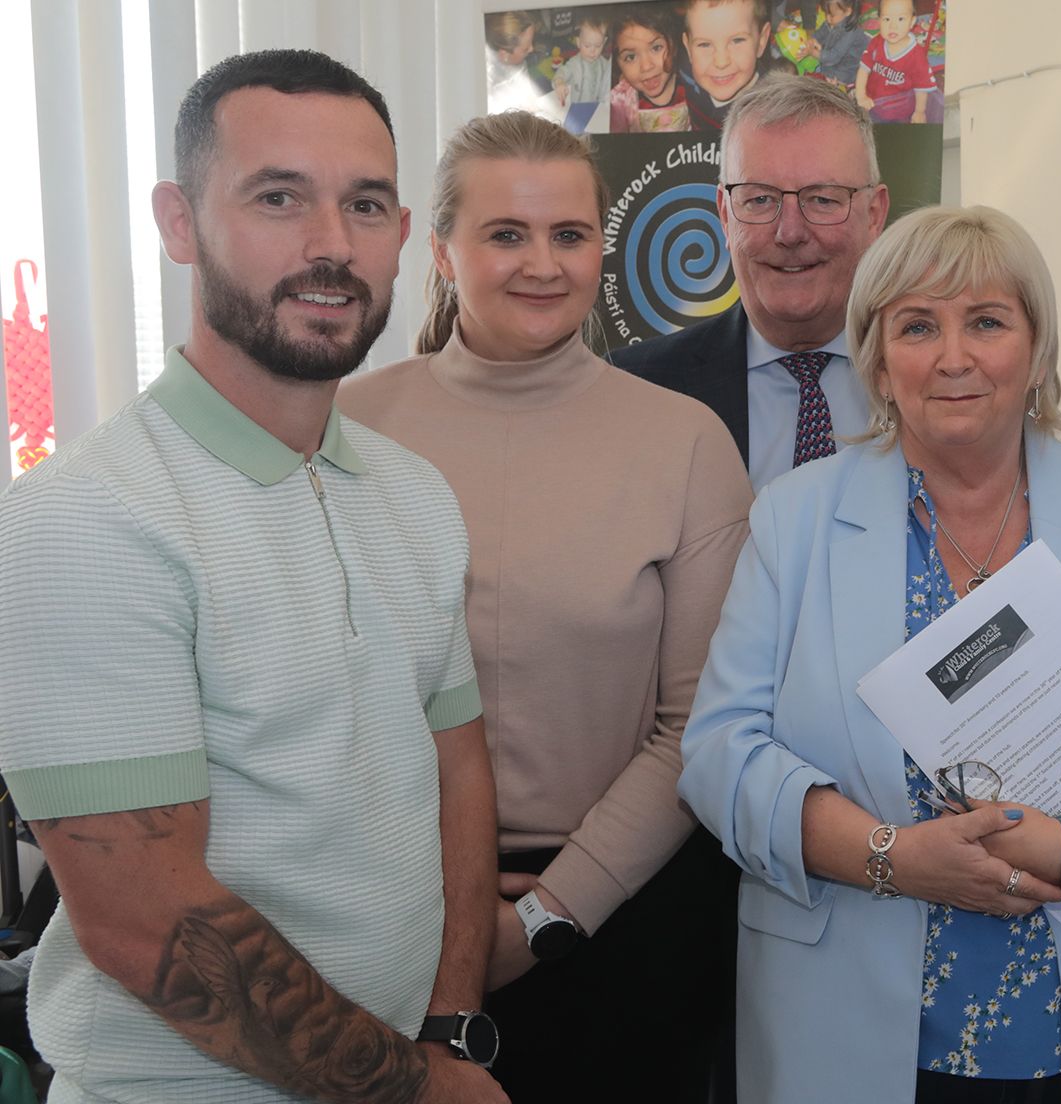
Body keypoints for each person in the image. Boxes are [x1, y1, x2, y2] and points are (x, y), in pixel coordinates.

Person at [0, 50, 506, 1102]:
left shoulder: (416, 493)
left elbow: (454, 773)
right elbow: (148, 924)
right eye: (278, 197)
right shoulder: (80, 523)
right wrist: (414, 1085)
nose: (331, 245)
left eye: (365, 205)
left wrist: (451, 1026)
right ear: (179, 222)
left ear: (405, 237)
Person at [677, 204, 1061, 1103]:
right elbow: (721, 756)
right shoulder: (794, 520)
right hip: (845, 1007)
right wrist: (890, 855)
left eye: (987, 321)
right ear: (876, 359)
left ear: (1036, 349)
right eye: (918, 326)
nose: (954, 356)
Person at [336, 111, 751, 1103]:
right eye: (506, 234)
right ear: (439, 250)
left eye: (569, 235)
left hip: (622, 926)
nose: (542, 264)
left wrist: (546, 919)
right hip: (385, 917)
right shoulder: (351, 430)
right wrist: (439, 916)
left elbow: (697, 728)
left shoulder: (685, 442)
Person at [609, 75, 885, 492]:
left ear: (875, 215)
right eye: (759, 199)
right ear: (724, 213)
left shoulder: (936, 379)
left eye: (823, 199)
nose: (789, 232)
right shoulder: (633, 390)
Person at [679, 0, 773, 131]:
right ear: (688, 48)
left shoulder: (772, 113)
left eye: (737, 40)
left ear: (761, 41)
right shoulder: (683, 77)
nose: (721, 62)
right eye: (704, 44)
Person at [609, 5, 692, 133]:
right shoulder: (620, 101)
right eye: (630, 57)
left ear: (673, 44)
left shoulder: (692, 84)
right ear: (617, 63)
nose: (646, 66)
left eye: (656, 48)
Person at [855, 0, 933, 124]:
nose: (892, 26)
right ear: (879, 20)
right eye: (886, 19)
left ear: (912, 21)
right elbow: (863, 69)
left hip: (900, 112)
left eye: (901, 19)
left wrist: (919, 112)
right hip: (872, 104)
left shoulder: (917, 56)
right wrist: (860, 95)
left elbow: (921, 88)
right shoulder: (876, 42)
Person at [485, 11, 558, 122]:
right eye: (525, 48)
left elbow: (528, 93)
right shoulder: (487, 78)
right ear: (504, 54)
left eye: (531, 43)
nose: (532, 49)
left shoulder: (518, 62)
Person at [552, 15, 612, 109]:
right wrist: (559, 83)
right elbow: (561, 72)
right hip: (575, 108)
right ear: (578, 42)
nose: (592, 51)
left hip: (596, 109)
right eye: (587, 46)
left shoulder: (604, 64)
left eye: (598, 46)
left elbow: (608, 85)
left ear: (604, 42)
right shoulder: (574, 63)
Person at [804, 0, 867, 88]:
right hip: (830, 60)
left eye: (831, 15)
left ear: (847, 11)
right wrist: (813, 39)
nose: (827, 18)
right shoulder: (834, 19)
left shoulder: (852, 31)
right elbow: (821, 32)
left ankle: (842, 87)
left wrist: (814, 53)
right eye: (826, 13)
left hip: (844, 73)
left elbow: (833, 57)